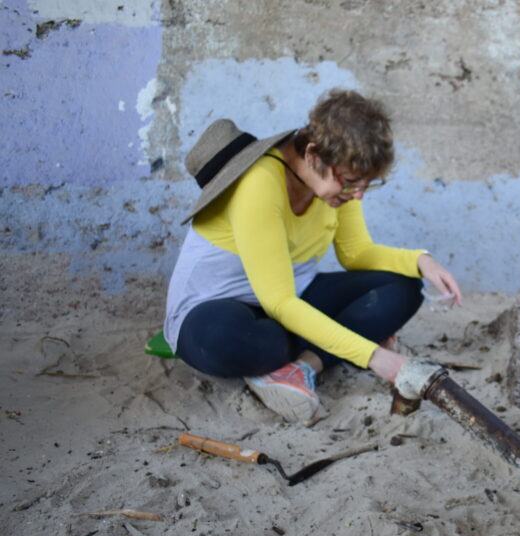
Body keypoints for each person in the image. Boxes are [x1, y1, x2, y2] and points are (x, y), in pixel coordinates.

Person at [163, 89, 462, 423]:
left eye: (366, 185)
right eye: (350, 182)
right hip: (219, 310)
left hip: (291, 298)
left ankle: (305, 366)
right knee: (227, 339)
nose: (358, 194)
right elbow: (279, 302)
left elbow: (355, 253)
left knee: (404, 288)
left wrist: (422, 260)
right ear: (312, 154)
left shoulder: (335, 188)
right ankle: (326, 342)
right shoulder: (258, 183)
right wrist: (375, 357)